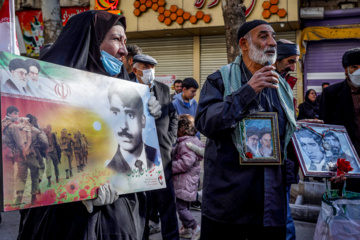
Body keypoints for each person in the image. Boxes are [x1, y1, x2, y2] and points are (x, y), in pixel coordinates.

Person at [17, 11, 161, 240]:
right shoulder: (48, 100)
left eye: (125, 41)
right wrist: (76, 191)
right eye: (115, 39)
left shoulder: (126, 91)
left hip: (120, 222)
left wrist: (149, 120)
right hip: (66, 224)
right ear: (90, 42)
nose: (124, 49)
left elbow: (140, 165)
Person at [195, 19, 297, 239]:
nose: (272, 42)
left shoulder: (280, 87)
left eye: (273, 37)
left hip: (270, 204)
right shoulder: (219, 80)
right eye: (263, 36)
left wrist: (307, 133)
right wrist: (248, 91)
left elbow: (283, 134)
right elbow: (205, 123)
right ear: (243, 44)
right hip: (229, 202)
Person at [132, 54, 179, 240]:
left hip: (162, 155)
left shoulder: (163, 89)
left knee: (167, 203)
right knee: (141, 205)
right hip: (136, 156)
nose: (150, 71)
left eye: (152, 67)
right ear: (135, 69)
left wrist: (171, 138)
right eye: (146, 66)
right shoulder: (125, 87)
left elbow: (173, 115)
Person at [274, 39, 300, 240]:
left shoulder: (286, 84)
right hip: (269, 160)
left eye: (296, 61)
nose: (293, 67)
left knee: (284, 213)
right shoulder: (266, 81)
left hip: (285, 160)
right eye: (290, 61)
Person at [106, 83, 159, 174]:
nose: (123, 126)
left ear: (143, 120)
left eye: (130, 115)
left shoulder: (157, 156)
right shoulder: (108, 172)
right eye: (115, 113)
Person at [172, 114, 204, 240]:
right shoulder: (190, 142)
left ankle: (195, 227)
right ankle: (186, 229)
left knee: (181, 208)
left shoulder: (186, 144)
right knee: (185, 207)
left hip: (184, 183)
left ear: (182, 129)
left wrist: (170, 166)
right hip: (188, 183)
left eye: (176, 128)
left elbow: (186, 163)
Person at [15, 113, 48, 205]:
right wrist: (39, 147)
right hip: (32, 156)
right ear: (32, 121)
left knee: (21, 177)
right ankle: (33, 198)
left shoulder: (18, 128)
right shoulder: (36, 130)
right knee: (35, 176)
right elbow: (45, 142)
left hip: (21, 156)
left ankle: (18, 198)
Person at [2, 106, 24, 200]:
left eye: (18, 114)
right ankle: (9, 199)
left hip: (3, 153)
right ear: (9, 114)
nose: (17, 116)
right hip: (8, 155)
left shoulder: (3, 122)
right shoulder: (13, 127)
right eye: (15, 113)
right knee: (9, 178)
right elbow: (20, 144)